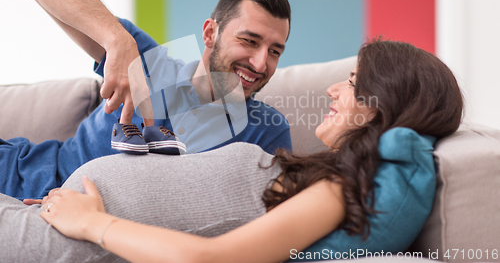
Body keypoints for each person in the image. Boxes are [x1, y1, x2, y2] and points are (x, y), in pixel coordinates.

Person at [0, 40, 463, 263]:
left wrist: (92, 223)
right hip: (51, 207)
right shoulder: (328, 176)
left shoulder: (338, 191)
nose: (333, 88)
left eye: (354, 83)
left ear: (381, 107)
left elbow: (210, 259)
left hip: (66, 236)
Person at [0, 0, 293, 200]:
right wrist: (116, 40)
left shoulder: (267, 130)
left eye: (275, 51)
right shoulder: (147, 59)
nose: (260, 63)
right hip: (20, 174)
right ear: (209, 34)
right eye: (249, 41)